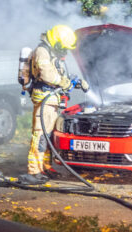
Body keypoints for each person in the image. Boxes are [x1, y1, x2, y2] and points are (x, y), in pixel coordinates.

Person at [19, 24, 88, 185]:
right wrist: (65, 83)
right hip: (44, 99)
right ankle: (33, 172)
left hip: (52, 100)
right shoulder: (42, 51)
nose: (64, 50)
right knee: (40, 136)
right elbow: (47, 75)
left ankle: (45, 167)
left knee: (48, 136)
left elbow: (59, 73)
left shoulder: (52, 52)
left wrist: (77, 82)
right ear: (56, 40)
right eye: (62, 46)